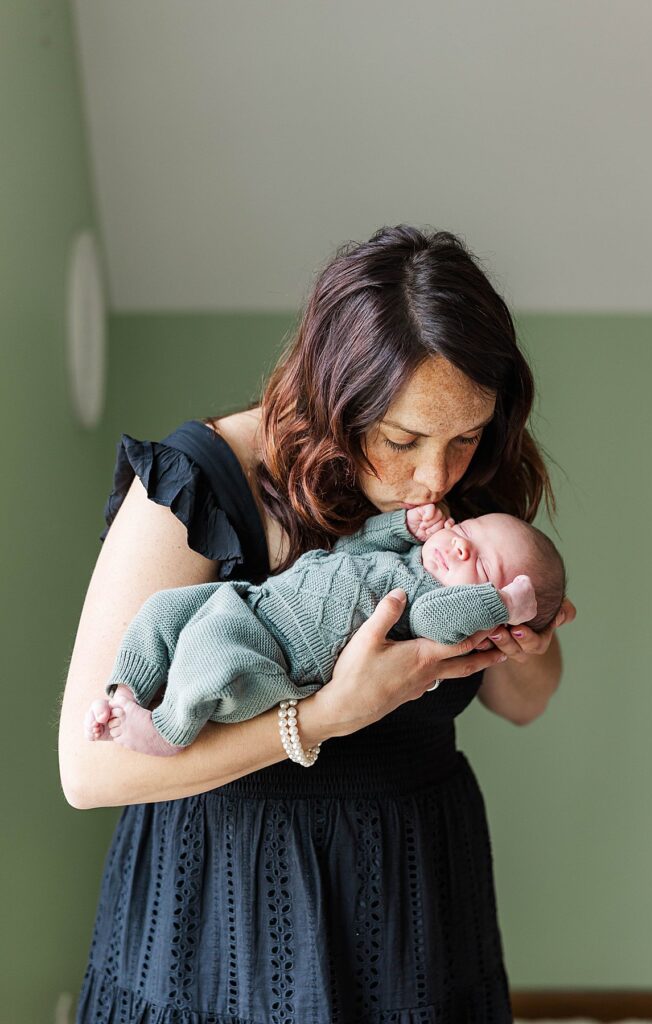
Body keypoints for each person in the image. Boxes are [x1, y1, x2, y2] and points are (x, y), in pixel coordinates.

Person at [59, 224, 575, 1023]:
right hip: (220, 908)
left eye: (466, 437)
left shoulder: (460, 512)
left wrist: (524, 644)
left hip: (412, 900)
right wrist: (323, 718)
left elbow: (521, 701)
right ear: (333, 400)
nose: (434, 475)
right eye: (402, 440)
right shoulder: (199, 482)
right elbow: (87, 774)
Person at [83, 503, 564, 757]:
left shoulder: (428, 608)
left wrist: (502, 604)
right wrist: (402, 524)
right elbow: (350, 544)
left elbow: (442, 621)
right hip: (254, 603)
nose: (460, 547)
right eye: (468, 530)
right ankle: (127, 689)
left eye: (483, 566)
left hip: (273, 655)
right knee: (167, 609)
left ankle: (168, 729)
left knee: (209, 655)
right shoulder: (403, 558)